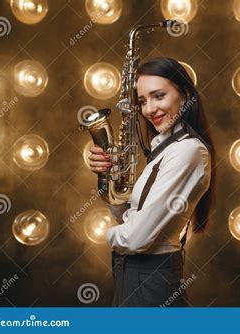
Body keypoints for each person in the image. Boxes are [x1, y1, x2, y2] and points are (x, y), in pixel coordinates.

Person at [88, 57, 216, 307]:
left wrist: (108, 237)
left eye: (159, 96)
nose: (149, 110)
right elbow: (130, 217)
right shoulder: (164, 149)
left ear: (185, 94)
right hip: (132, 276)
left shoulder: (187, 151)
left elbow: (136, 239)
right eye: (143, 101)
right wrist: (108, 175)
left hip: (150, 281)